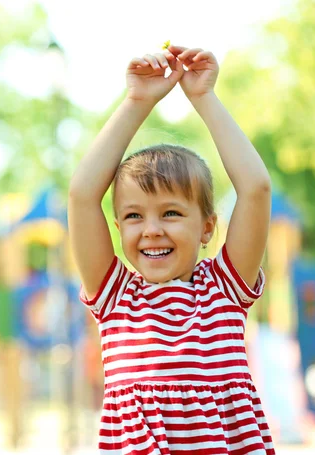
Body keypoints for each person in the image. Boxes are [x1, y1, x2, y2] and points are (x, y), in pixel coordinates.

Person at [68, 44, 275, 454]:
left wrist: (204, 97)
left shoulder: (224, 291)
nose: (151, 231)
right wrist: (136, 101)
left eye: (171, 213)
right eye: (133, 216)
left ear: (207, 227)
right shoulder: (116, 298)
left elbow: (256, 188)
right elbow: (80, 194)